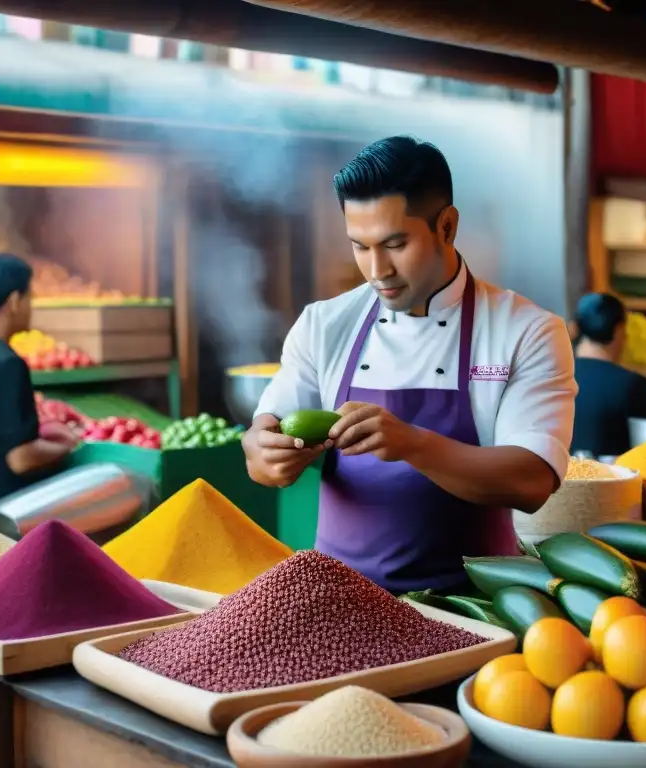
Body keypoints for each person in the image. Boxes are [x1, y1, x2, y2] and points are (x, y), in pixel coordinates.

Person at [242, 136, 577, 594]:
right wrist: (267, 456)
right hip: (339, 605)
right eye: (360, 246)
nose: (377, 269)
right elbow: (260, 450)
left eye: (395, 244)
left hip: (474, 607)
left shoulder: (527, 331)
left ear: (446, 226)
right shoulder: (324, 325)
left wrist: (412, 443)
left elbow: (531, 481)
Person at [0, 253, 79, 508]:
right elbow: (21, 459)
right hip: (0, 508)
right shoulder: (6, 364)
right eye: (30, 297)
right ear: (15, 301)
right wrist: (69, 447)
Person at [570, 292, 646, 457]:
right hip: (614, 481)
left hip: (556, 481)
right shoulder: (634, 385)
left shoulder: (552, 377)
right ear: (619, 329)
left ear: (575, 328)